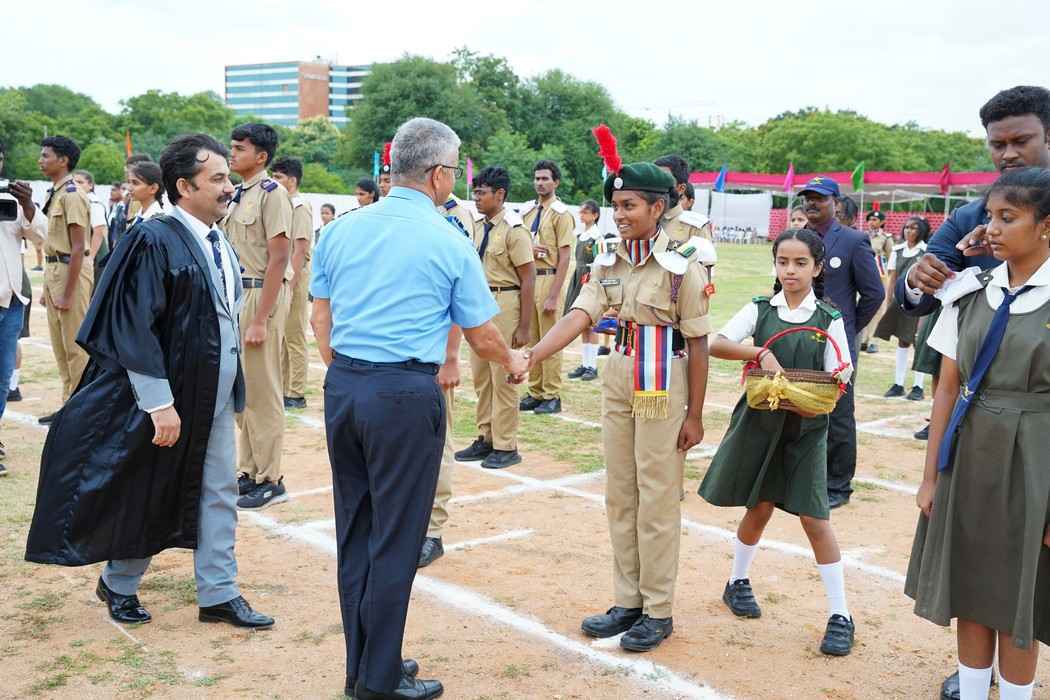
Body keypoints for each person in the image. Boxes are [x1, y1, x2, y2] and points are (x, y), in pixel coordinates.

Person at [310, 117, 528, 700]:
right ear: (437, 174)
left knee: (356, 531)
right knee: (397, 539)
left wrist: (350, 373)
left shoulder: (343, 229)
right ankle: (379, 680)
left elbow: (320, 317)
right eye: (453, 170)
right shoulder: (447, 237)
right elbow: (482, 334)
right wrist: (513, 360)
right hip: (403, 394)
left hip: (346, 386)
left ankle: (362, 668)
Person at [24, 133, 275, 631]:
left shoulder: (217, 238)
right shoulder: (154, 238)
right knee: (149, 487)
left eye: (228, 177)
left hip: (212, 396)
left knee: (218, 491)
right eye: (217, 179)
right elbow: (132, 325)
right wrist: (159, 403)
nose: (229, 187)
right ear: (184, 186)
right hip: (168, 399)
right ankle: (119, 582)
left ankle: (219, 592)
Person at [893, 85, 1050, 700]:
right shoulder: (972, 215)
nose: (1007, 154)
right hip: (977, 420)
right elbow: (920, 290)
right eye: (996, 144)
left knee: (1027, 589)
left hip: (1036, 432)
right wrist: (920, 275)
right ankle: (978, 675)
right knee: (977, 575)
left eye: (1020, 140)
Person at [527, 129, 711, 652]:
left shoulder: (683, 265)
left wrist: (695, 415)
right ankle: (628, 600)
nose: (620, 214)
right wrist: (534, 355)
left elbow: (698, 343)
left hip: (663, 381)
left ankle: (658, 609)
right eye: (616, 205)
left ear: (658, 207)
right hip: (620, 374)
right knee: (621, 493)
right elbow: (580, 314)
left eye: (629, 206)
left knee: (657, 496)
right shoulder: (608, 258)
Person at [699, 228, 855, 656]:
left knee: (815, 518)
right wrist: (758, 353)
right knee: (760, 506)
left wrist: (830, 384)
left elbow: (841, 371)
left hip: (806, 429)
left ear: (817, 268)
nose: (790, 270)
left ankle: (840, 614)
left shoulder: (828, 318)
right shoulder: (760, 309)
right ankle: (737, 581)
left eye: (801, 263)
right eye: (783, 262)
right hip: (761, 424)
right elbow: (716, 343)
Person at [799, 176, 884, 509]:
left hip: (838, 343)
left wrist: (848, 328)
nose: (812, 203)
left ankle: (837, 484)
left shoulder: (853, 240)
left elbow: (874, 293)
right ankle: (803, 474)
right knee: (799, 404)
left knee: (839, 413)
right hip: (799, 336)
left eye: (819, 198)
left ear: (835, 202)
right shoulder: (795, 239)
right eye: (807, 197)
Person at [221, 123, 294, 510]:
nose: (232, 154)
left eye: (239, 148)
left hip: (261, 295)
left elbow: (279, 258)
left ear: (261, 156)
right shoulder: (238, 194)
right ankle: (249, 470)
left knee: (263, 392)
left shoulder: (272, 193)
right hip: (239, 294)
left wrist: (260, 319)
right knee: (244, 391)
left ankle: (271, 478)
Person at [454, 165, 535, 471]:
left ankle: (505, 444)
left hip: (505, 301)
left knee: (503, 378)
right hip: (480, 302)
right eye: (475, 192)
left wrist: (524, 326)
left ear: (500, 194)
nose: (476, 198)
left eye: (482, 193)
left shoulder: (515, 229)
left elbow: (528, 278)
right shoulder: (478, 226)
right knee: (481, 377)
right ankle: (486, 436)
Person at [37, 135, 94, 424]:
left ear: (63, 160)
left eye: (46, 155)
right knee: (60, 347)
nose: (40, 160)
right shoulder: (57, 191)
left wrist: (68, 293)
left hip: (71, 270)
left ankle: (80, 413)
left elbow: (78, 246)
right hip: (56, 271)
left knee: (75, 348)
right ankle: (68, 406)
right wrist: (49, 289)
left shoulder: (72, 194)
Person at [0, 143, 46, 476]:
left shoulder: (11, 199)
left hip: (11, 301)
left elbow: (41, 236)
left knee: (3, 380)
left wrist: (28, 205)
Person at [519, 159, 575, 415]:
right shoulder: (528, 212)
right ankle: (535, 390)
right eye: (537, 178)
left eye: (545, 179)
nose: (540, 183)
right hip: (530, 278)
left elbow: (565, 256)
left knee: (550, 340)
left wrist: (553, 295)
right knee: (532, 338)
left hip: (549, 277)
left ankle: (552, 394)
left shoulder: (561, 214)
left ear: (556, 182)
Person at [271, 156, 313, 411]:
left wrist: (291, 283)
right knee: (283, 336)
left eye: (278, 177)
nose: (274, 181)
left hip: (295, 275)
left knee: (295, 336)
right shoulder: (284, 204)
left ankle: (296, 391)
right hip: (284, 275)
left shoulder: (300, 206)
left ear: (292, 180)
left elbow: (301, 249)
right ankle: (285, 387)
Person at [876, 217, 930, 400]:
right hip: (901, 301)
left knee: (918, 341)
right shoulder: (897, 250)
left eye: (913, 228)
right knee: (902, 340)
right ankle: (898, 384)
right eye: (906, 227)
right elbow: (893, 278)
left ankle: (918, 387)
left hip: (920, 302)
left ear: (921, 231)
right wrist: (889, 302)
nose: (909, 231)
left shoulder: (926, 251)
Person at [565, 200, 605, 381]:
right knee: (582, 324)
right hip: (579, 277)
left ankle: (592, 366)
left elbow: (600, 261)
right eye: (581, 212)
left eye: (586, 212)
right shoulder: (581, 236)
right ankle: (585, 363)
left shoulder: (597, 237)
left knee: (591, 324)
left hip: (589, 277)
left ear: (595, 215)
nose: (582, 215)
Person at [858, 210, 894, 353]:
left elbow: (891, 258)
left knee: (879, 308)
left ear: (882, 222)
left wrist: (889, 276)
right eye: (870, 219)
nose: (871, 222)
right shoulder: (862, 236)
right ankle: (862, 339)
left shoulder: (886, 238)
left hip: (880, 276)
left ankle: (872, 340)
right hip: (862, 275)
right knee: (862, 305)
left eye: (875, 219)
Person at [655, 154, 714, 242]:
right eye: (653, 179)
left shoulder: (694, 228)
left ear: (681, 188)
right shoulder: (641, 221)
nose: (656, 185)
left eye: (664, 180)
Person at [72, 169, 110, 263]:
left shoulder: (94, 203)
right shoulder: (79, 201)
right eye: (73, 182)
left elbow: (98, 232)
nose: (76, 185)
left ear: (90, 185)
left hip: (95, 256)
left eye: (80, 182)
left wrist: (90, 257)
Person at [125, 161, 165, 225]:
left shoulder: (159, 221)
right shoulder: (138, 216)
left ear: (153, 188)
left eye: (135, 183)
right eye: (129, 182)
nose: (129, 188)